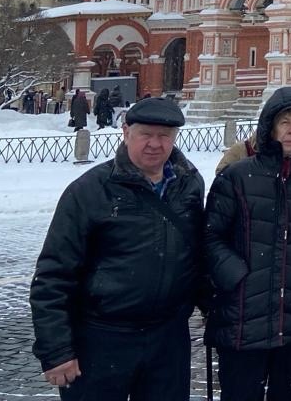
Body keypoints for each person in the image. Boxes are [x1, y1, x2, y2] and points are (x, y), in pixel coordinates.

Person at [30, 97, 204, 399]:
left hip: (168, 338)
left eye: (164, 136)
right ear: (126, 133)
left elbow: (197, 256)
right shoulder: (89, 191)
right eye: (145, 134)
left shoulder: (188, 185)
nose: (154, 144)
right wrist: (57, 350)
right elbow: (54, 275)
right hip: (101, 337)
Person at [204, 86, 291, 401]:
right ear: (269, 126)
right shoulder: (237, 177)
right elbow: (209, 236)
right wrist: (238, 276)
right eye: (284, 122)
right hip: (241, 322)